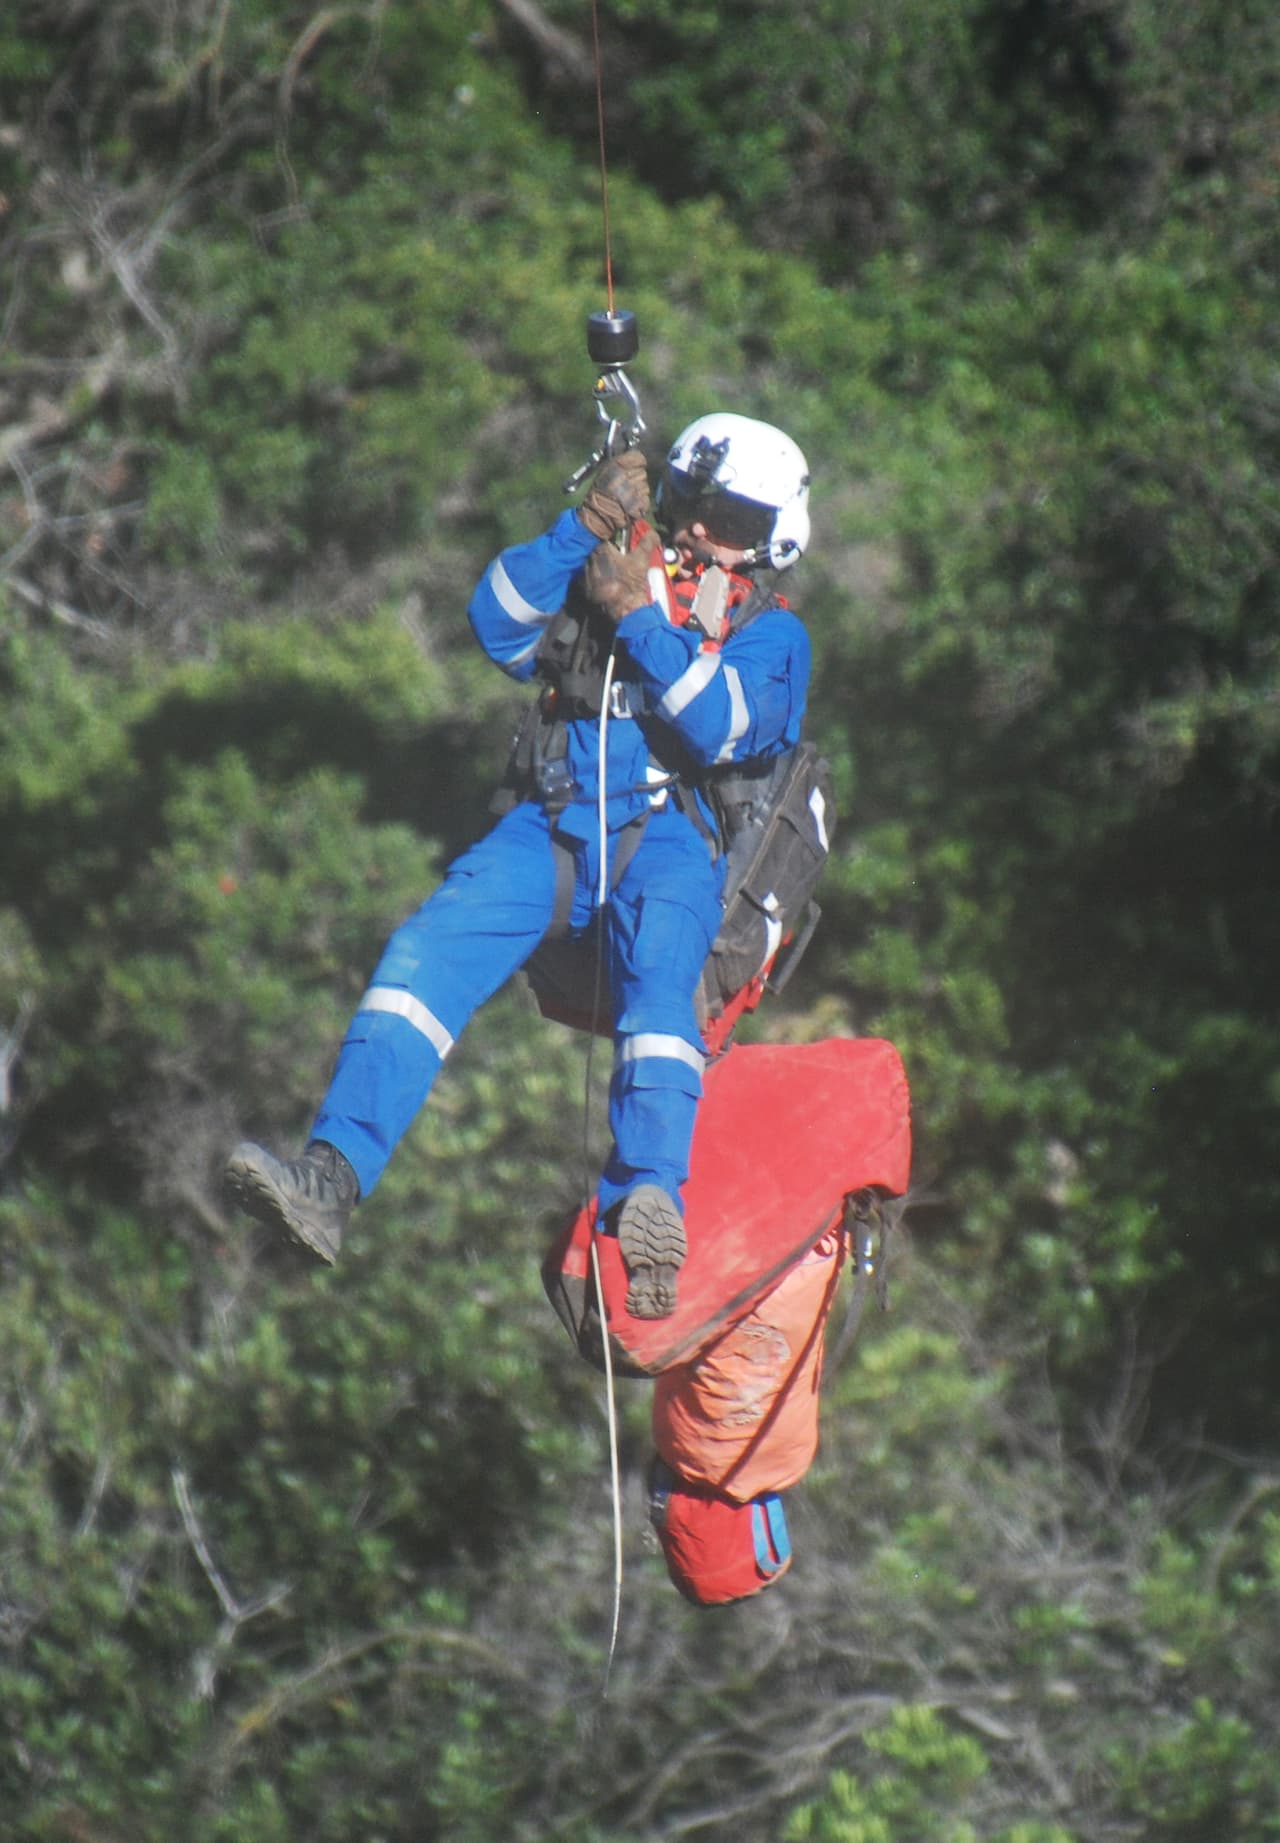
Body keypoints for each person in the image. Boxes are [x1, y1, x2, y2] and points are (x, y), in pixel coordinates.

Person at [225, 413, 813, 1320]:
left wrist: (638, 620)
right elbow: (495, 622)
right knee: (424, 955)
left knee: (662, 993)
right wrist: (581, 529)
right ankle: (330, 1175)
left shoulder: (772, 635)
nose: (699, 528)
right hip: (550, 823)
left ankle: (648, 1202)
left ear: (773, 538)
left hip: (667, 841)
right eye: (694, 503)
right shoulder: (615, 564)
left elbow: (718, 722)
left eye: (729, 517)